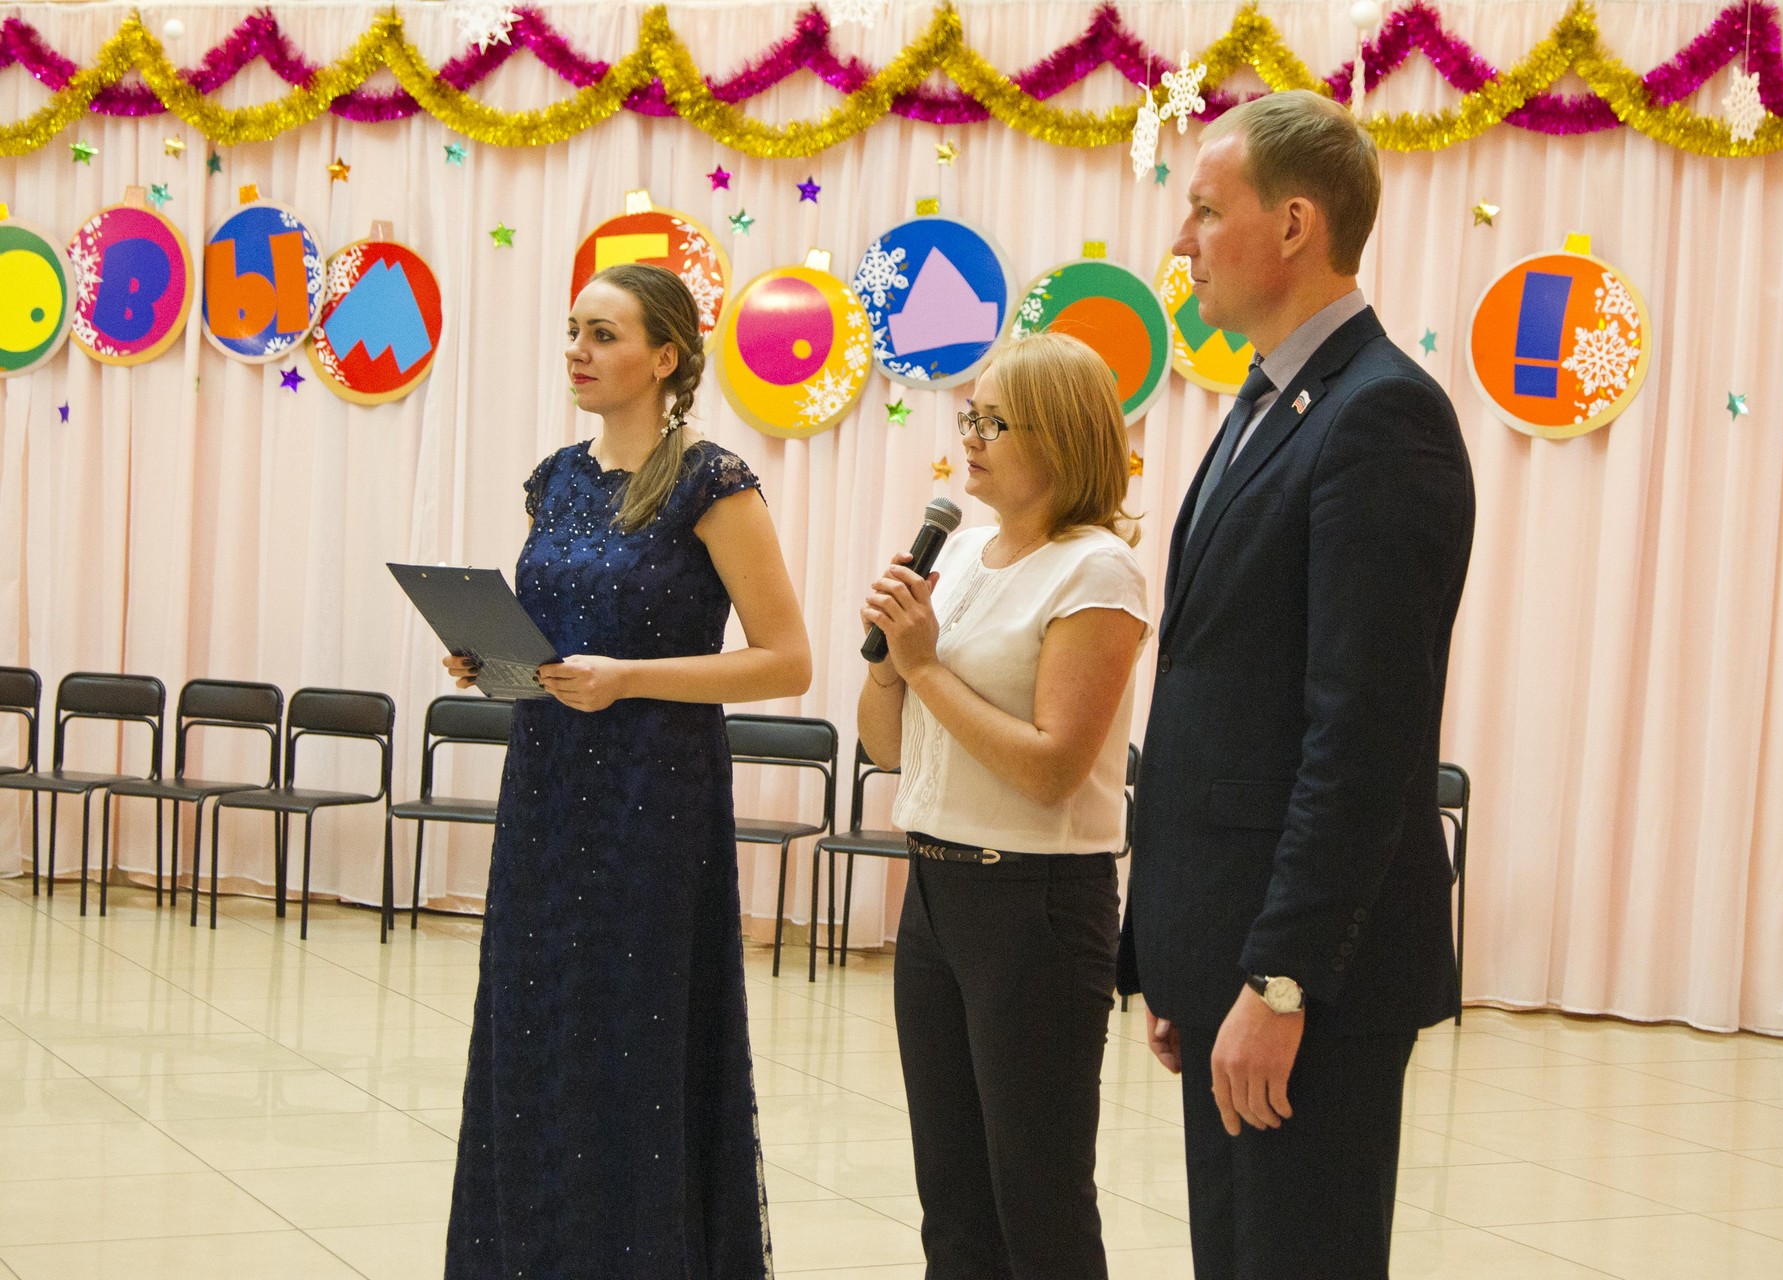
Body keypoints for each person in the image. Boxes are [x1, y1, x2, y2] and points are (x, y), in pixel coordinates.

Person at [1118, 90, 1476, 1279]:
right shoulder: (1266, 402)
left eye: (1205, 210)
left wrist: (1280, 973)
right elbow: (1220, 693)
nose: (1181, 240)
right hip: (1229, 951)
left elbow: (1362, 733)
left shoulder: (1381, 414)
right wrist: (1182, 948)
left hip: (1311, 974)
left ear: (1293, 225)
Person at [441, 262, 811, 1279]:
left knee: (629, 1034)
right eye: (573, 330)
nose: (578, 350)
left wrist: (632, 678)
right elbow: (555, 647)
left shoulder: (711, 481)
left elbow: (786, 660)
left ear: (665, 356)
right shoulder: (555, 479)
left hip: (655, 797)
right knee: (536, 1024)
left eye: (603, 334)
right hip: (546, 789)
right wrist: (494, 662)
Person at [857, 332, 1149, 1280]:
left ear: (1059, 438)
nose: (970, 439)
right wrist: (890, 660)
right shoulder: (965, 553)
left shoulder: (1096, 570)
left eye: (994, 422)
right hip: (936, 890)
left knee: (1038, 1199)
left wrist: (924, 666)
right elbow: (887, 748)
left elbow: (1052, 769)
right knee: (953, 1199)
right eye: (969, 417)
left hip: (1036, 904)